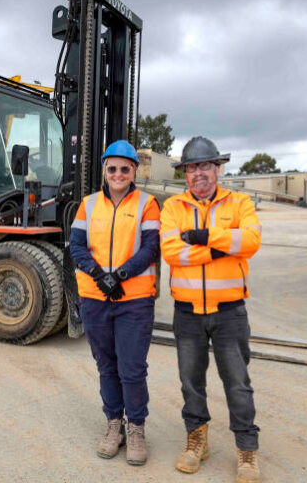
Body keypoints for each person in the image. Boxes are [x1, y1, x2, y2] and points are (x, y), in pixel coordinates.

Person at [159, 136, 262, 483]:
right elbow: (172, 253)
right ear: (184, 174)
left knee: (238, 384)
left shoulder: (240, 202)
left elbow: (250, 242)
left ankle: (246, 451)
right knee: (191, 382)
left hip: (229, 312)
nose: (198, 173)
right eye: (191, 168)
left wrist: (203, 236)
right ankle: (197, 441)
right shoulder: (173, 208)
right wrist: (223, 246)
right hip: (187, 312)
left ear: (218, 168)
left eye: (204, 165)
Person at [69, 139, 160, 466]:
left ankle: (135, 428)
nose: (118, 174)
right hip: (95, 298)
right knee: (106, 365)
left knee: (132, 368)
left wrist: (118, 275)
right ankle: (113, 425)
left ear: (134, 171)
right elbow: (76, 246)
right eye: (112, 169)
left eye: (125, 168)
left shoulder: (147, 204)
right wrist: (98, 274)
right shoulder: (88, 204)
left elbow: (150, 249)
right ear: (105, 171)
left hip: (133, 300)